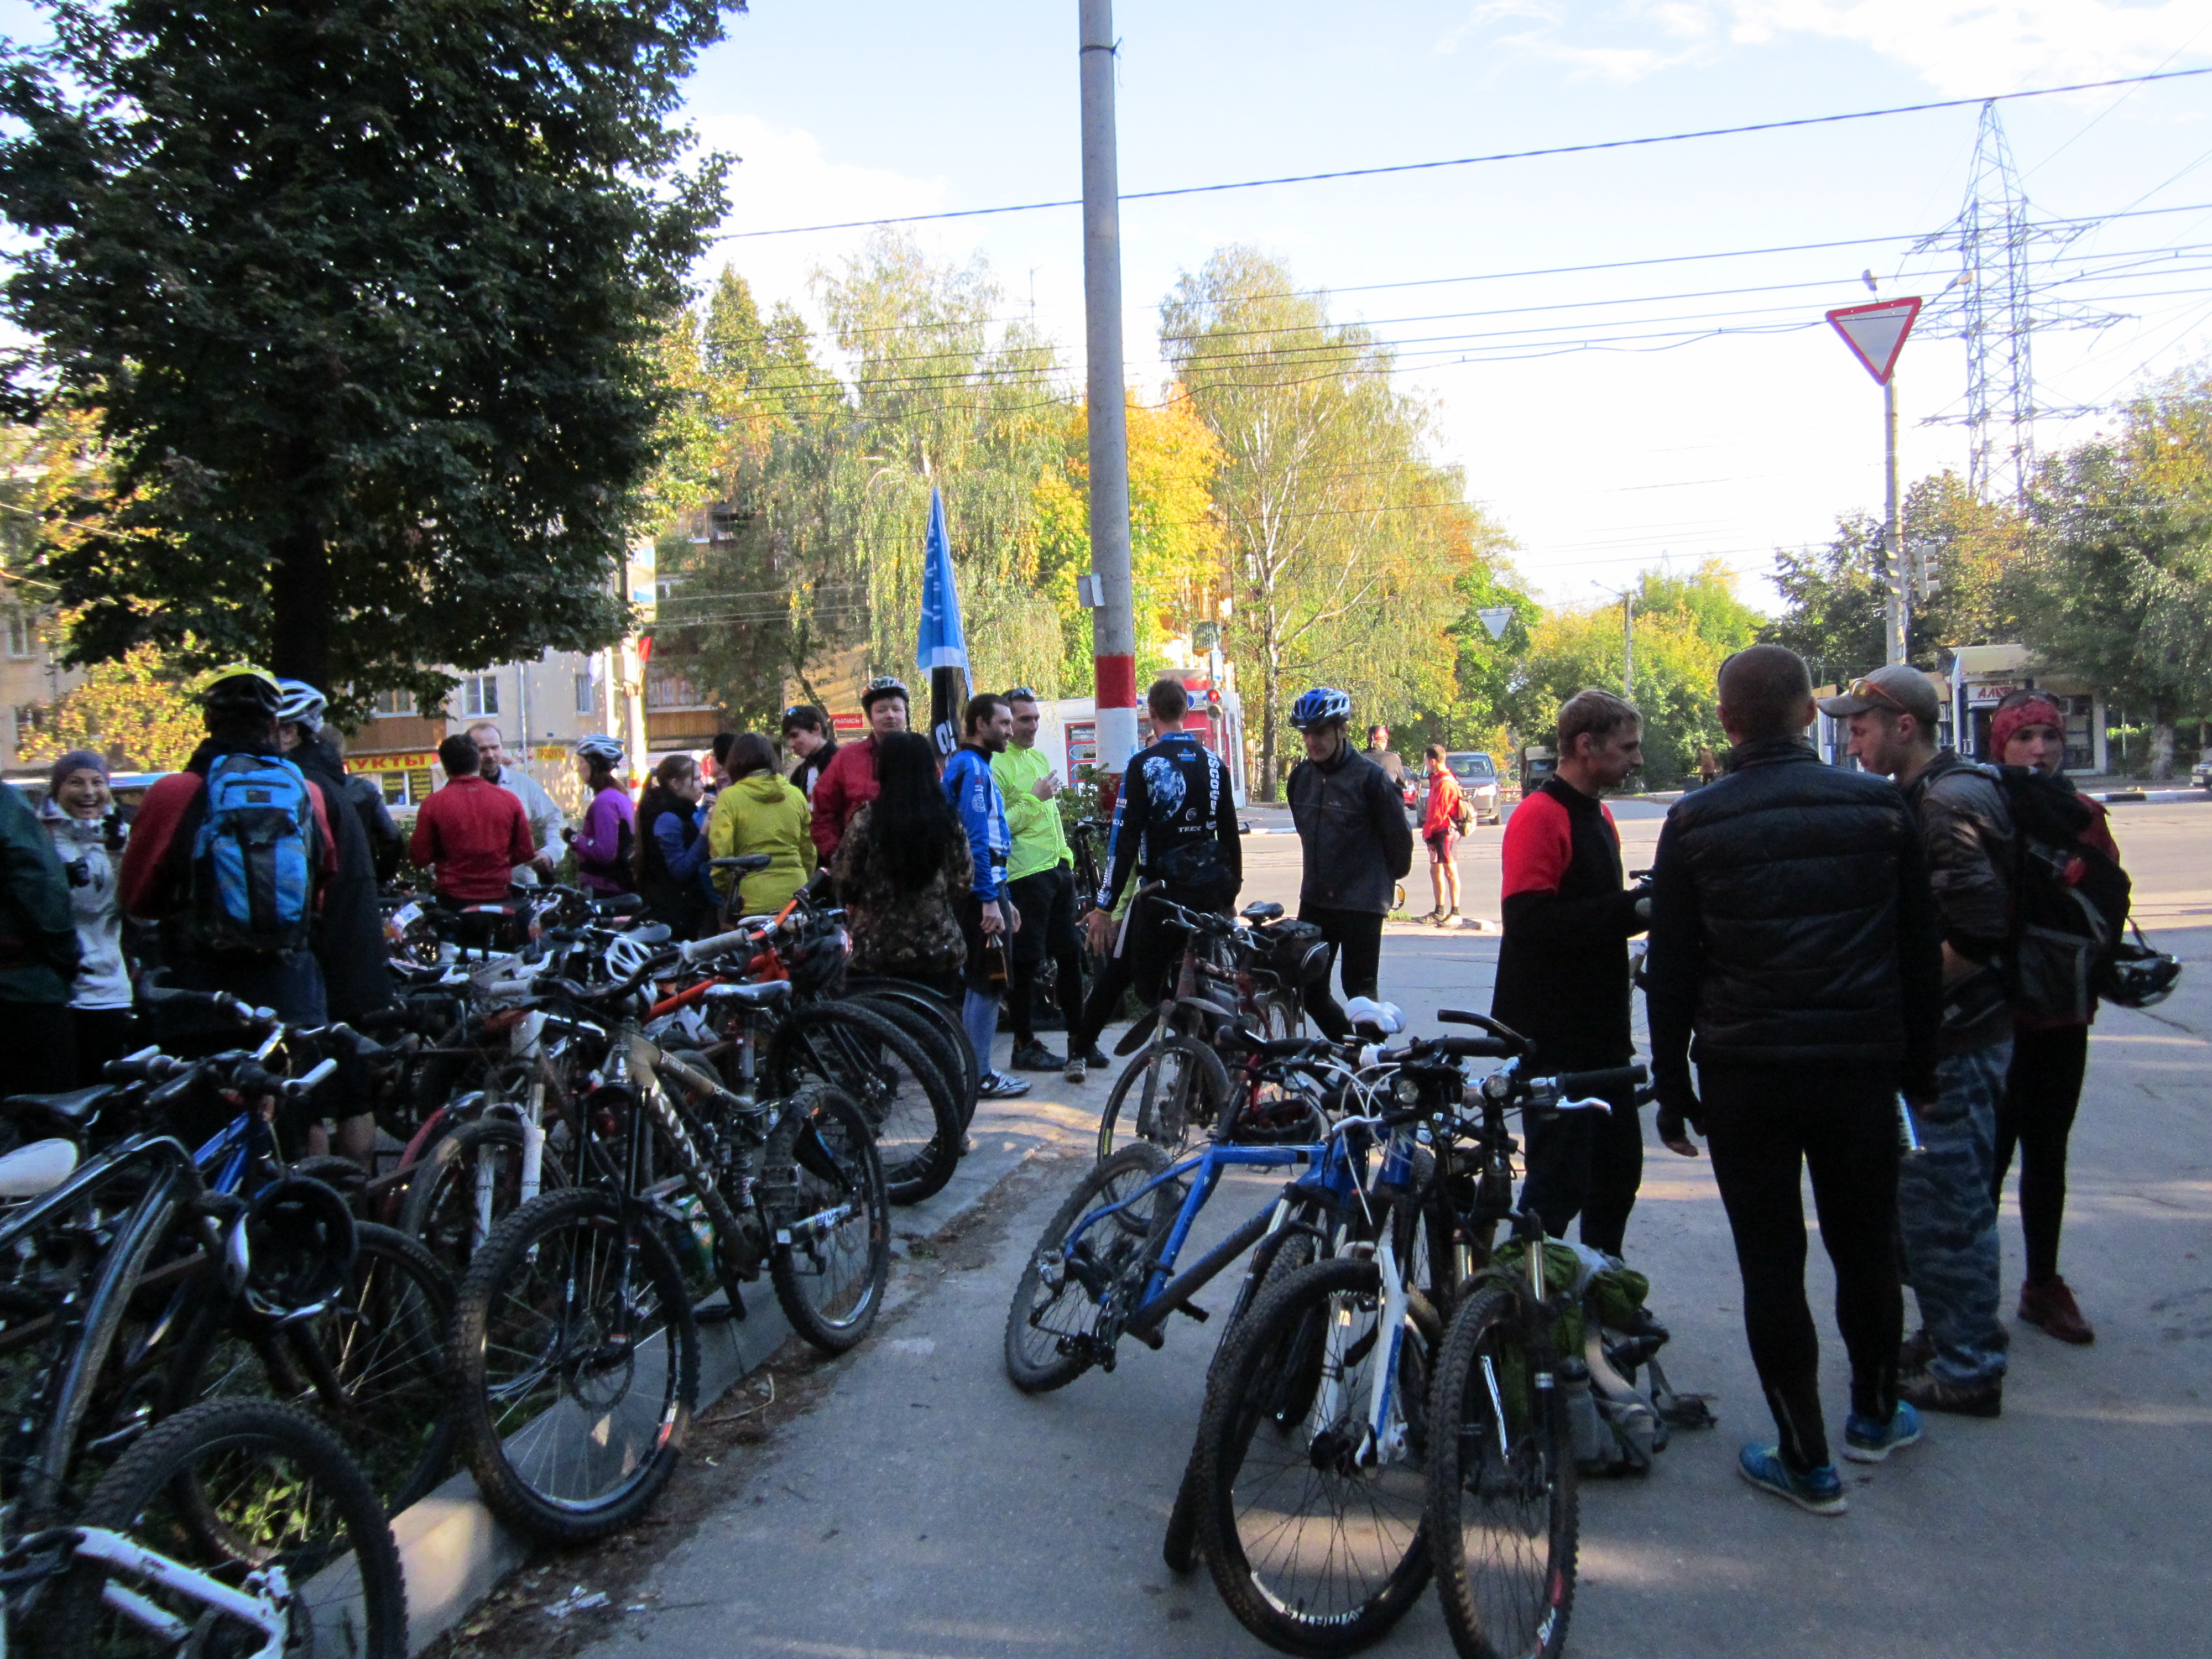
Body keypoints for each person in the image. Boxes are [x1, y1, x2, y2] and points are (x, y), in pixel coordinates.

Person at [1646, 644, 1942, 1515]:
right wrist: (1920, 1067)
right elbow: (1917, 953)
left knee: (1771, 1263)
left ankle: (1807, 1458)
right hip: (1859, 1069)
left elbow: (1672, 970)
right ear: (1812, 714)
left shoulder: (1695, 822)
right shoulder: (1880, 809)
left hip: (1747, 1076)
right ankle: (1875, 1417)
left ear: (1726, 722)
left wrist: (1672, 1088)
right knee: (1865, 1246)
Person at [1824, 664, 2013, 1418]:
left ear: (1905, 726)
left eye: (1861, 727)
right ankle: (1948, 1335)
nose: (1851, 741)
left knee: (1948, 1212)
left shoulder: (1947, 801)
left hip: (1956, 1040)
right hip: (1946, 1036)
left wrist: (1900, 995)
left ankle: (1970, 1369)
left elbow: (1979, 931)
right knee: (1925, 1209)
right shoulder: (1925, 793)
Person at [1493, 688, 1649, 1255]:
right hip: (1553, 1037)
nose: (1637, 760)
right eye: (1627, 748)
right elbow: (1529, 922)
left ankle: (1599, 1283)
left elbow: (1596, 916)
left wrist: (1634, 909)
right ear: (1586, 745)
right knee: (1556, 1185)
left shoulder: (1598, 814)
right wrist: (1634, 910)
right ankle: (1521, 1288)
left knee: (1617, 1175)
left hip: (1602, 1035)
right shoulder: (1541, 814)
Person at [1988, 692, 2114, 1345]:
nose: (2038, 749)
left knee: (2047, 1152)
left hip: (2063, 1013)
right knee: (1985, 1160)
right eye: (2023, 737)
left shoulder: (2084, 816)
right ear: (1999, 745)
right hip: (1993, 1016)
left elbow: (2110, 909)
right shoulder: (1982, 809)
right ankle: (1968, 1302)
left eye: (2049, 737)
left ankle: (2042, 1285)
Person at [120, 665, 338, 1040]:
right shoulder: (306, 793)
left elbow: (137, 898)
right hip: (289, 990)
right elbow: (322, 884)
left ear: (207, 721)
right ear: (274, 724)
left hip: (199, 995)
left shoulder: (173, 792)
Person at [1063, 679, 1242, 1085]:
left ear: (1152, 713)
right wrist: (1230, 893)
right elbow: (1230, 836)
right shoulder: (1214, 763)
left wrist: (1105, 906)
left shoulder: (1144, 764)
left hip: (1163, 895)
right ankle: (1212, 1062)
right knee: (1203, 978)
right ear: (1185, 711)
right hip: (1209, 893)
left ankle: (1082, 1050)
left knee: (1135, 977)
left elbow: (1123, 841)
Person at [275, 680, 389, 1162]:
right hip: (358, 954)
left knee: (309, 1101)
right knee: (355, 1094)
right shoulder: (341, 786)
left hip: (317, 963)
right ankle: (359, 1195)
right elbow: (390, 844)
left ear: (288, 733)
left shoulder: (295, 788)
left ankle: (317, 1198)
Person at [1286, 688, 1412, 1041]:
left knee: (1360, 997)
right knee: (1310, 990)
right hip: (1316, 899)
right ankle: (1355, 1055)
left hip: (1362, 901)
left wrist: (1378, 883)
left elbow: (1400, 844)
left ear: (1342, 729)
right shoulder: (1300, 779)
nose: (1312, 741)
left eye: (1319, 732)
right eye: (1306, 733)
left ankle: (1371, 1063)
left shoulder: (1371, 779)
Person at [995, 687, 1095, 1074]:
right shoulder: (996, 765)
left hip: (1056, 871)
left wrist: (1066, 859)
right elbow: (998, 826)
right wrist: (1035, 798)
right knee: (1026, 962)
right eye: (1024, 719)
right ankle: (1023, 1044)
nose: (1033, 726)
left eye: (1036, 718)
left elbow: (1051, 818)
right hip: (1024, 876)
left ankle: (1079, 1041)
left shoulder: (1037, 757)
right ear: (1007, 722)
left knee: (1071, 956)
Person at [831, 731, 972, 1002]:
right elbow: (963, 881)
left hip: (874, 950)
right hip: (937, 947)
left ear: (882, 769)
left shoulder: (867, 821)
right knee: (933, 1024)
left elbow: (845, 882)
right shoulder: (948, 820)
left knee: (872, 1023)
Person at [944, 693, 1028, 1102]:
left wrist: (1000, 894)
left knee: (984, 981)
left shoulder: (973, 766)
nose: (1011, 731)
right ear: (981, 724)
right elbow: (975, 839)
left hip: (988, 886)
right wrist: (988, 898)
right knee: (989, 981)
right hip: (980, 891)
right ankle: (979, 1075)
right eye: (1005, 723)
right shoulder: (972, 769)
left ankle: (975, 1070)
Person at [39, 751, 134, 1084]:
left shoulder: (121, 835)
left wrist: (119, 853)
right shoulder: (39, 837)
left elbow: (140, 914)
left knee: (106, 1090)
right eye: (75, 783)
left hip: (109, 989)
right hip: (56, 991)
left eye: (97, 782)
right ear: (57, 789)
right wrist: (58, 881)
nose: (89, 792)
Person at [2, 775, 85, 1093]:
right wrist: (66, 956)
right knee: (42, 1111)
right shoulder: (5, 805)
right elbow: (40, 885)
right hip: (21, 988)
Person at [409, 733, 536, 904]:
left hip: (453, 899)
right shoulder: (509, 799)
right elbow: (525, 852)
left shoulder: (433, 804)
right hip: (500, 897)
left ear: (445, 766)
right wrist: (497, 864)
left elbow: (419, 857)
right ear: (478, 761)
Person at [706, 733, 817, 919]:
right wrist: (802, 885)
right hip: (795, 897)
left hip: (751, 899)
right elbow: (808, 851)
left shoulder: (729, 798)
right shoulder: (795, 795)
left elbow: (721, 855)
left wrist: (730, 891)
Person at [810, 677, 908, 860]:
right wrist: (837, 855)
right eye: (881, 710)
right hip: (861, 867)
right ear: (870, 717)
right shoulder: (847, 759)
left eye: (897, 709)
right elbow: (823, 814)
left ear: (906, 714)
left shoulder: (922, 756)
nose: (890, 715)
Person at [468, 722, 562, 884]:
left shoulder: (523, 784)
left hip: (520, 886)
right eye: (482, 750)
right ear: (469, 752)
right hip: (473, 887)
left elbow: (554, 821)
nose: (490, 755)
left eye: (495, 747)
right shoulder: (451, 791)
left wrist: (550, 853)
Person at [635, 753, 715, 935]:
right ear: (676, 784)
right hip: (672, 913)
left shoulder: (680, 811)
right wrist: (704, 833)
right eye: (696, 779)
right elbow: (680, 870)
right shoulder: (668, 817)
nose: (702, 784)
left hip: (681, 909)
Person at [320, 725, 404, 884]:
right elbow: (392, 837)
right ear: (341, 751)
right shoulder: (363, 790)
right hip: (359, 878)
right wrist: (379, 877)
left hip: (316, 882)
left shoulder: (300, 787)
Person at [567, 734, 635, 895]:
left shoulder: (605, 802)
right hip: (616, 885)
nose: (578, 769)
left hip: (604, 887)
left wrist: (573, 837)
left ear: (594, 765)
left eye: (581, 762)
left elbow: (605, 853)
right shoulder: (618, 795)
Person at [1418, 742, 1466, 926]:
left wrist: (1428, 834)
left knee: (1450, 871)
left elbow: (1440, 814)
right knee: (1435, 870)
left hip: (1445, 833)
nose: (1425, 764)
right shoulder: (1437, 780)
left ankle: (1455, 912)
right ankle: (1439, 911)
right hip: (1436, 832)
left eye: (1425, 760)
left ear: (1432, 761)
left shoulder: (1445, 783)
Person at [782, 705, 838, 801]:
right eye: (787, 739)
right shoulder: (798, 774)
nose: (791, 744)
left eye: (795, 735)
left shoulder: (844, 765)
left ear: (816, 729)